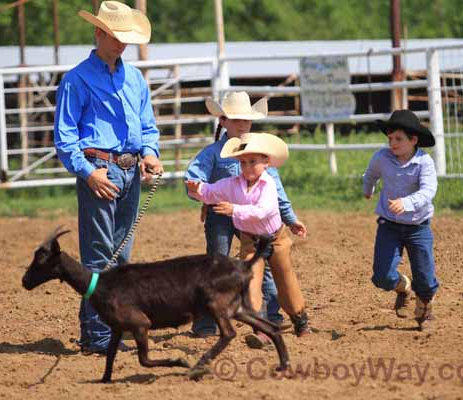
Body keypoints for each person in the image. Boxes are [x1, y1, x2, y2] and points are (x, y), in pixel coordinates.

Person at [53, 0, 164, 354]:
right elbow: (65, 136)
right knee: (101, 257)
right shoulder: (76, 80)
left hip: (130, 170)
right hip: (100, 169)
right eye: (116, 37)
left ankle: (110, 329)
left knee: (122, 257)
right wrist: (88, 173)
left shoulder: (134, 78)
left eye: (125, 37)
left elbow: (147, 126)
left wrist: (150, 153)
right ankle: (97, 335)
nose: (122, 44)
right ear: (99, 33)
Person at [185, 92, 307, 346]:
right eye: (236, 119)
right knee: (216, 264)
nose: (242, 124)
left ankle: (269, 316)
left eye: (246, 120)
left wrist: (290, 217)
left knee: (266, 267)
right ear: (224, 121)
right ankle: (208, 320)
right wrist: (197, 190)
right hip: (222, 214)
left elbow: (276, 194)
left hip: (250, 222)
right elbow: (197, 180)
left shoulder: (260, 155)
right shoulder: (213, 152)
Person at [362, 109, 439, 332]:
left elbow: (429, 190)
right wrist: (368, 188)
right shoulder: (381, 158)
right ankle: (403, 287)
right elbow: (370, 174)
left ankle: (425, 313)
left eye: (398, 139)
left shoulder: (424, 162)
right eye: (390, 139)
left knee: (424, 275)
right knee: (382, 277)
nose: (393, 144)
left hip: (418, 226)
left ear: (413, 140)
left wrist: (407, 203)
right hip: (389, 225)